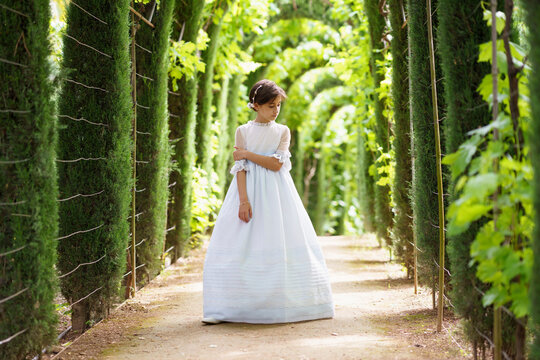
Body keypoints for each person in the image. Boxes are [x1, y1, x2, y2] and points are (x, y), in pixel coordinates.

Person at [202, 79, 334, 324]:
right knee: (240, 241)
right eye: (271, 106)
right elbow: (240, 168)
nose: (276, 111)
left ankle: (282, 304)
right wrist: (243, 201)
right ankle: (228, 307)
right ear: (256, 105)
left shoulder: (282, 130)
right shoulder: (242, 131)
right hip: (247, 191)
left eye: (278, 106)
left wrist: (248, 154)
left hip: (277, 194)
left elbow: (276, 164)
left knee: (279, 239)